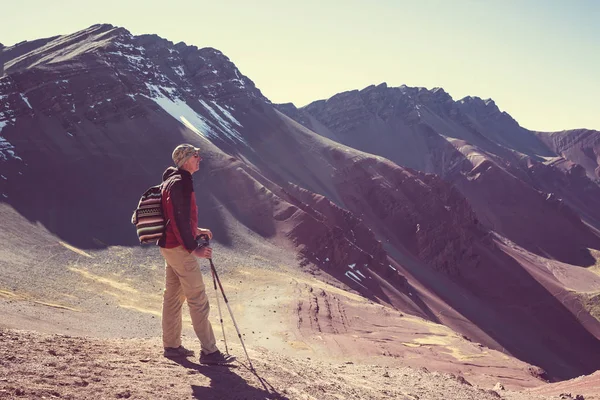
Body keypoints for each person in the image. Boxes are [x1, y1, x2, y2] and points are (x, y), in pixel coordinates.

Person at [158, 143, 235, 365]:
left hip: (168, 246)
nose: (199, 158)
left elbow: (176, 217)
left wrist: (196, 229)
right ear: (184, 159)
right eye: (195, 155)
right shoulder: (181, 182)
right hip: (180, 249)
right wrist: (194, 248)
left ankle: (171, 346)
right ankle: (210, 353)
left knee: (172, 297)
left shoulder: (170, 181)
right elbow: (179, 219)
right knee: (197, 299)